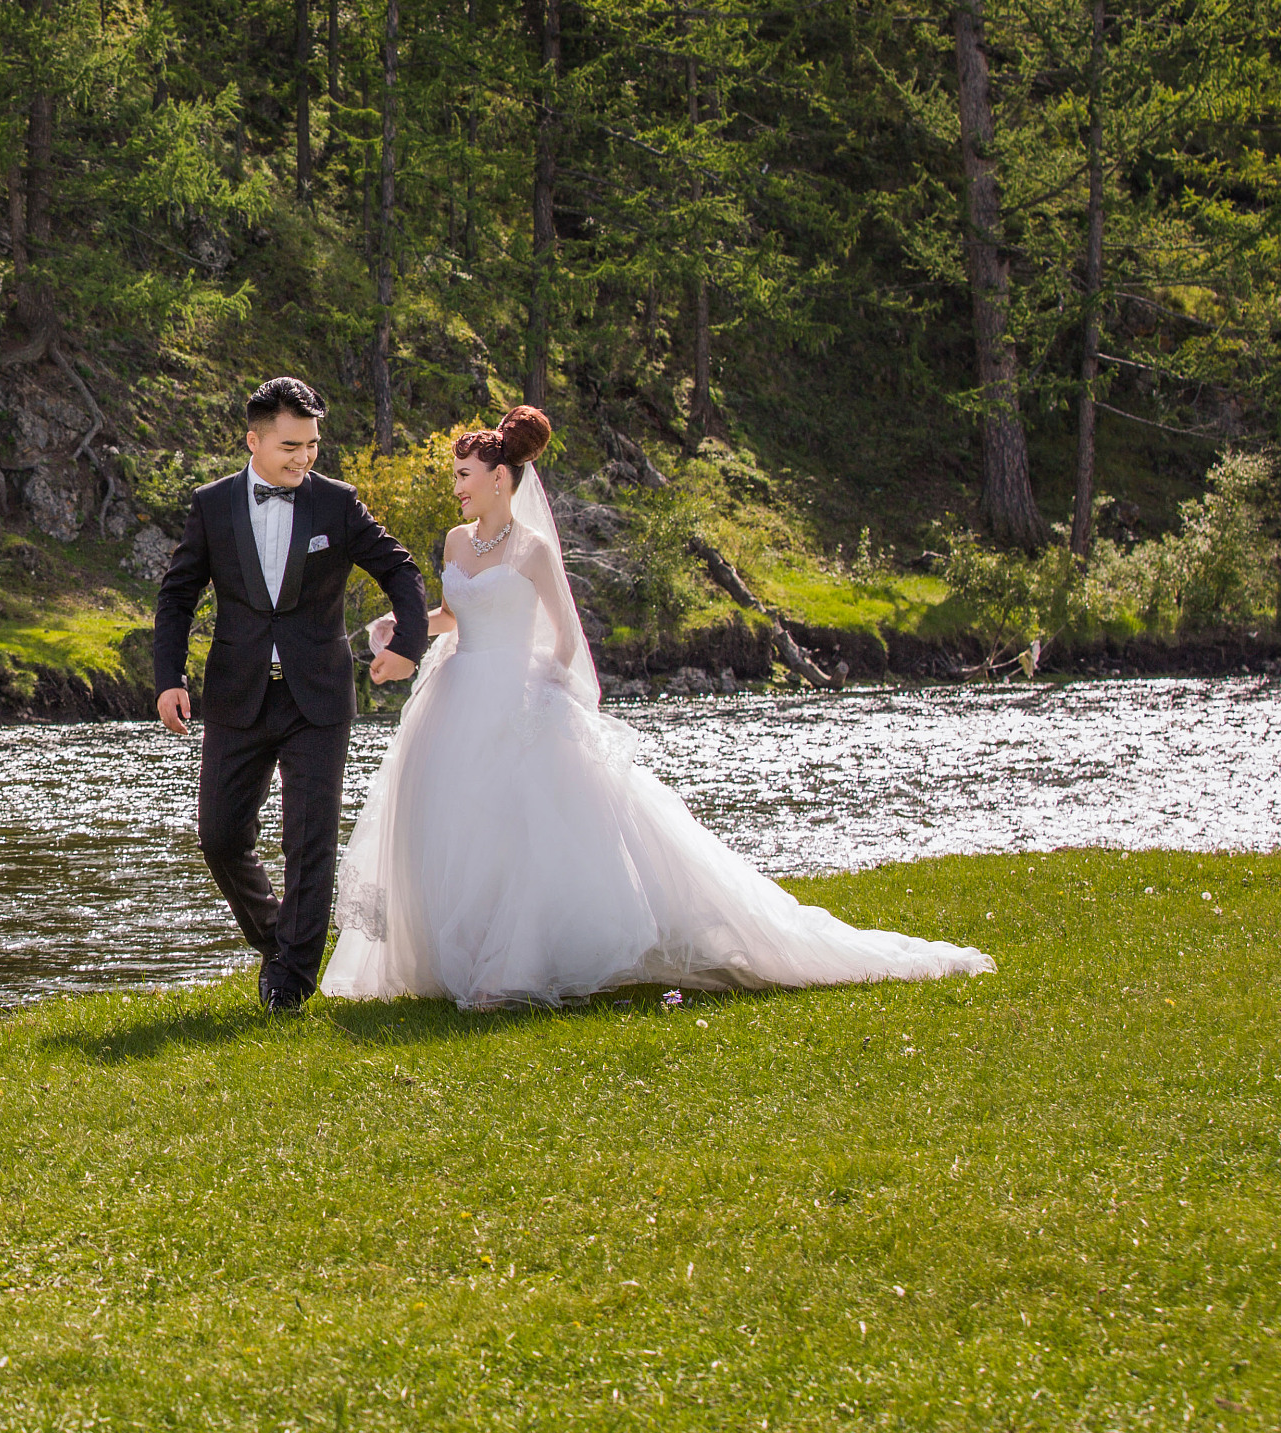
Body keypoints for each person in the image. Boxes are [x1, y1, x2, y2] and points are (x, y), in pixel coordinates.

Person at [320, 404, 992, 1005]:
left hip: (517, 702)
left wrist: (543, 699)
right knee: (459, 833)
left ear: (500, 477)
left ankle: (513, 969)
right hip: (459, 693)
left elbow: (566, 639)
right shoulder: (456, 543)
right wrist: (398, 629)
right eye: (456, 475)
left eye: (465, 474)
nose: (457, 486)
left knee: (522, 834)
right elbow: (452, 614)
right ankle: (458, 963)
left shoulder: (533, 551)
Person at [151, 377, 434, 1013]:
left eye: (311, 446)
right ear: (253, 440)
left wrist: (408, 643)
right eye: (289, 446)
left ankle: (291, 983)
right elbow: (176, 595)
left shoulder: (337, 504)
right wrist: (170, 677)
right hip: (235, 694)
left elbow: (400, 569)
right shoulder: (213, 505)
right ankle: (281, 943)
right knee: (220, 836)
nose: (303, 458)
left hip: (319, 697)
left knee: (309, 841)